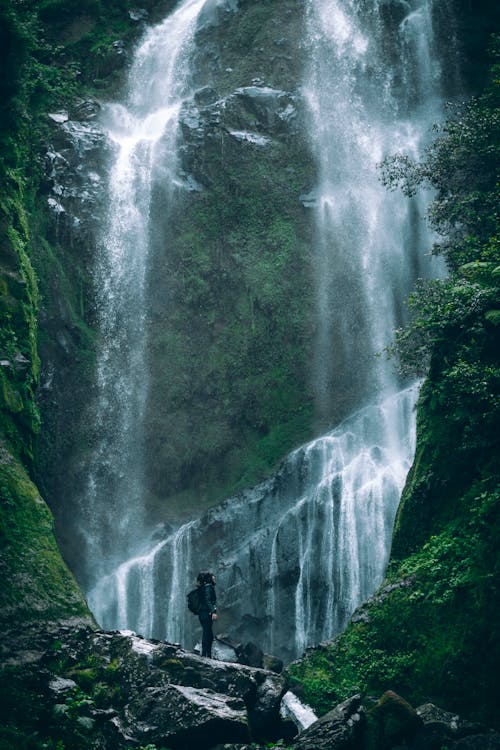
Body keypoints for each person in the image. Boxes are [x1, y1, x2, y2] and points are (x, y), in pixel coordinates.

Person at [197, 571, 217, 658]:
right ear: (209, 578)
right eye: (213, 576)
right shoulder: (208, 587)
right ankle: (204, 655)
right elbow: (208, 600)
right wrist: (213, 612)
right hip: (206, 613)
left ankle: (208, 655)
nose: (214, 577)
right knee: (207, 633)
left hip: (202, 614)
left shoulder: (202, 588)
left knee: (209, 634)